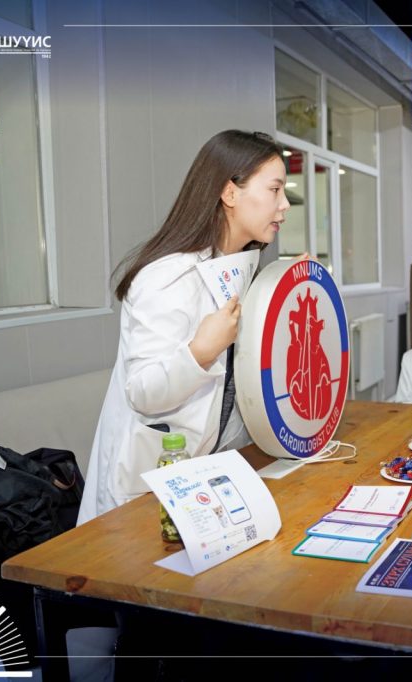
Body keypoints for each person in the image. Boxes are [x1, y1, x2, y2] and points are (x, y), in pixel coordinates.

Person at [79, 130, 290, 523]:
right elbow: (142, 391)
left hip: (213, 475)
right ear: (230, 193)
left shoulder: (242, 271)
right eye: (275, 190)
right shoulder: (167, 277)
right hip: (147, 487)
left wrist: (291, 293)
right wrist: (200, 352)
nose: (285, 205)